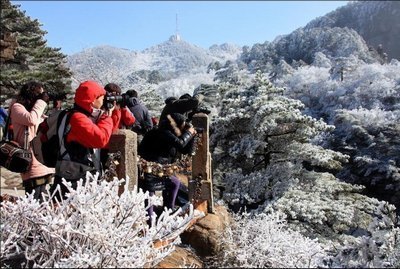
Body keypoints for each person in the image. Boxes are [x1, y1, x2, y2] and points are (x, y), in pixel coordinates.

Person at [49, 80, 115, 201]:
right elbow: (100, 139)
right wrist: (106, 117)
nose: (103, 100)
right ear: (92, 99)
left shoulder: (70, 114)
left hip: (70, 173)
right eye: (101, 97)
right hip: (75, 179)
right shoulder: (77, 118)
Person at [138, 112, 197, 224]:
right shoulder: (162, 132)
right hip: (149, 170)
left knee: (174, 183)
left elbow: (187, 151)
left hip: (161, 170)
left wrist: (192, 136)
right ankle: (150, 225)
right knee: (149, 197)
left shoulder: (169, 134)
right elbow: (180, 144)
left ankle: (168, 212)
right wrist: (189, 133)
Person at [9, 81, 54, 202]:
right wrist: (41, 102)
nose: (42, 97)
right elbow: (31, 119)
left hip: (41, 158)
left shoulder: (35, 110)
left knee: (44, 197)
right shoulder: (17, 107)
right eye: (39, 94)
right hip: (29, 159)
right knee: (36, 198)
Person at [100, 83, 135, 167]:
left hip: (116, 143)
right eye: (111, 94)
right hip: (103, 144)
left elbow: (130, 121)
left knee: (116, 169)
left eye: (117, 95)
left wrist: (123, 106)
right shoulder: (101, 106)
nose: (114, 98)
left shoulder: (120, 107)